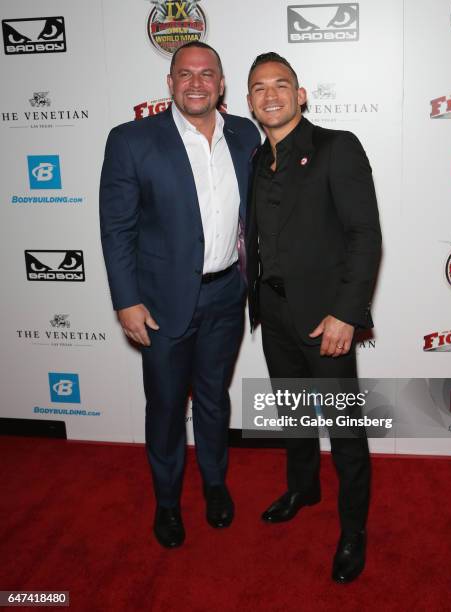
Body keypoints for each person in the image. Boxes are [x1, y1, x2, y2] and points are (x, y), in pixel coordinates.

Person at [99, 42, 260, 549]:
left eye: (206, 74)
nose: (196, 83)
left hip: (226, 295)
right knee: (166, 407)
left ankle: (215, 485)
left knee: (214, 400)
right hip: (162, 304)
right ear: (170, 83)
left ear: (221, 83)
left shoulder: (244, 134)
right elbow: (117, 228)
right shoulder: (131, 140)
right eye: (185, 74)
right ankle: (167, 502)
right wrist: (126, 300)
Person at [245, 52, 381, 583]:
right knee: (294, 413)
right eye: (259, 87)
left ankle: (353, 529)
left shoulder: (336, 147)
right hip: (272, 310)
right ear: (250, 101)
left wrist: (346, 314)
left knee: (344, 429)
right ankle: (303, 487)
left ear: (301, 95)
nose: (271, 94)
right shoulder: (256, 159)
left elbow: (365, 236)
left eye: (282, 84)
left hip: (326, 317)